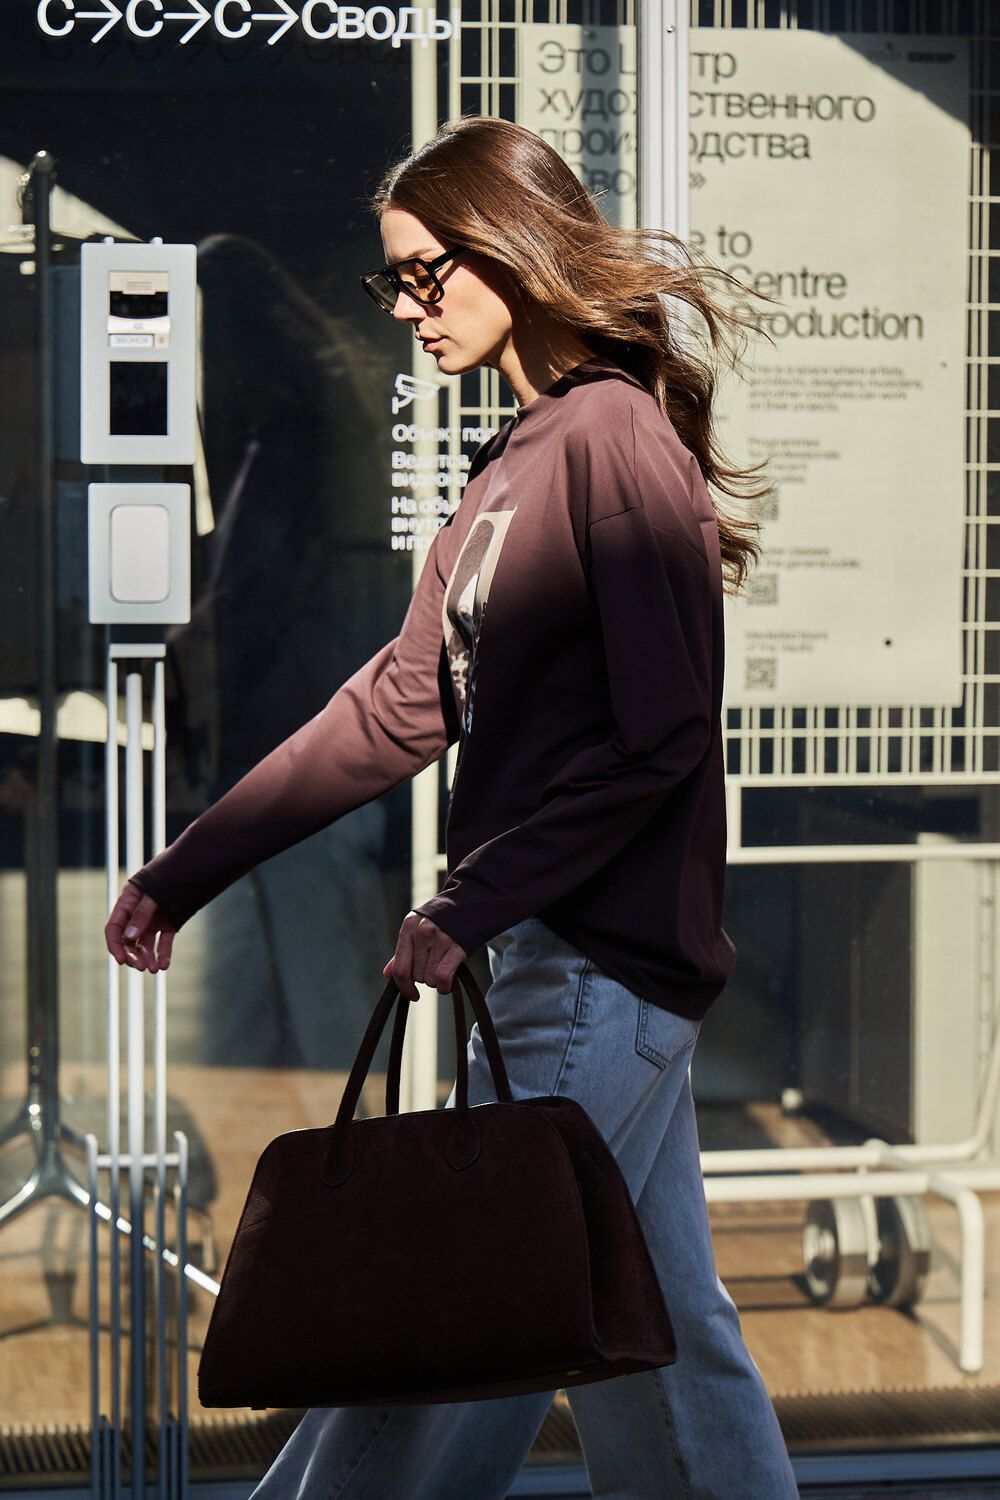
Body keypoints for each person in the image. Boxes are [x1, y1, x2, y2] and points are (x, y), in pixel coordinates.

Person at [105, 114, 800, 1499]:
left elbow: (663, 738)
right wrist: (185, 868)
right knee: (666, 1350)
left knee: (439, 1347)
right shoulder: (513, 464)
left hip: (593, 970)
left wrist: (472, 901)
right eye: (395, 280)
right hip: (569, 964)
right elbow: (390, 708)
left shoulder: (612, 443)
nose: (406, 306)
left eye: (426, 272)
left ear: (515, 252)